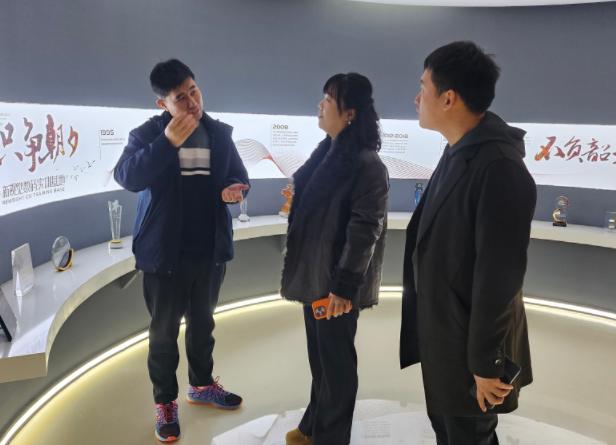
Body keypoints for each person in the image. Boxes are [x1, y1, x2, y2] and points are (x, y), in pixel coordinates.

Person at [399, 41, 536, 445]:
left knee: (469, 434)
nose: (416, 98)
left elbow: (500, 277)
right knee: (450, 430)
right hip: (445, 333)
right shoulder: (459, 151)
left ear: (448, 98)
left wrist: (486, 363)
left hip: (470, 345)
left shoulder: (499, 168)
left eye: (422, 87)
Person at [114, 59, 249, 443]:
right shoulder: (147, 135)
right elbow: (127, 176)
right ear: (163, 104)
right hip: (164, 253)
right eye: (180, 98)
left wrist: (235, 188)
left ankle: (202, 385)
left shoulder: (218, 133)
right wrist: (167, 142)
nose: (192, 102)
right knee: (163, 333)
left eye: (194, 91)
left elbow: (239, 175)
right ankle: (165, 402)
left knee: (203, 324)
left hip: (208, 250)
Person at [281, 73, 389, 445]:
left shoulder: (366, 164)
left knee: (337, 366)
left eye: (329, 99)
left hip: (336, 285)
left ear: (350, 113)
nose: (321, 105)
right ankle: (313, 426)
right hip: (316, 278)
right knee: (321, 360)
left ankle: (331, 438)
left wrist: (343, 288)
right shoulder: (329, 152)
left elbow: (365, 230)